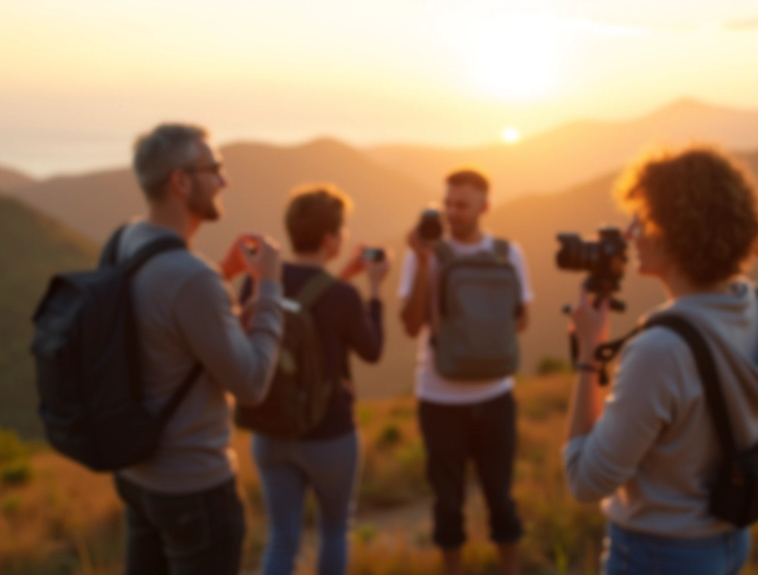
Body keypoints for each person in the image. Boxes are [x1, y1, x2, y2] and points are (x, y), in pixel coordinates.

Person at [563, 146, 758, 574]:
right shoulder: (755, 304)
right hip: (729, 537)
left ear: (675, 232)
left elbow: (585, 480)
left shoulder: (660, 350)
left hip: (659, 553)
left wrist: (587, 356)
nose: (630, 233)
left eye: (641, 220)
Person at [112, 123, 286, 575]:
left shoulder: (126, 241)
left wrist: (222, 276)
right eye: (215, 168)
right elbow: (251, 385)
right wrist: (269, 288)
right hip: (194, 487)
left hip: (136, 475)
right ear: (181, 182)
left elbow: (162, 329)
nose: (224, 180)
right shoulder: (191, 277)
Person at [239, 185, 388, 575]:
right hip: (329, 434)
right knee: (335, 529)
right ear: (329, 238)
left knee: (281, 538)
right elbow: (372, 350)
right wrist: (373, 289)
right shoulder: (344, 295)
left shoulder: (257, 280)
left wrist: (343, 277)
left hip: (270, 430)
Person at [399, 169, 533, 575]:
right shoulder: (424, 254)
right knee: (448, 503)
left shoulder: (510, 252)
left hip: (495, 396)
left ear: (484, 206)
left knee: (500, 498)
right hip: (440, 398)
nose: (452, 212)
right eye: (448, 204)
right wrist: (424, 263)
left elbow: (523, 319)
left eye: (462, 205)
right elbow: (411, 325)